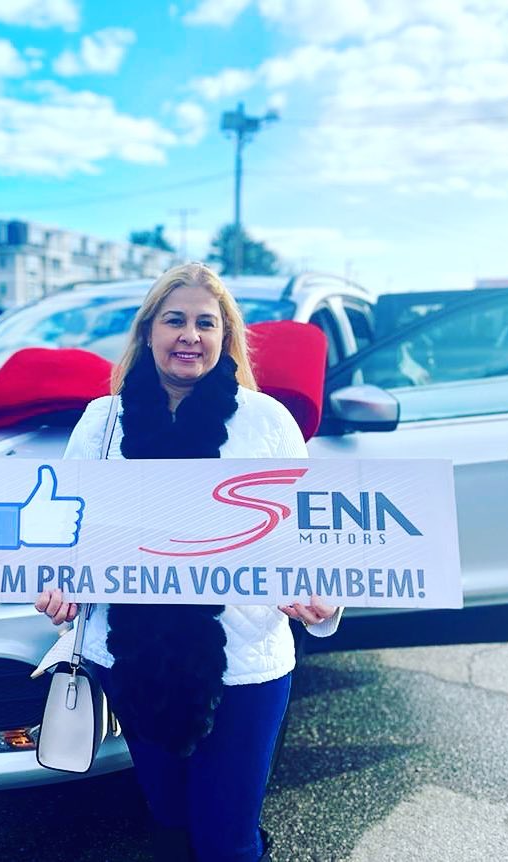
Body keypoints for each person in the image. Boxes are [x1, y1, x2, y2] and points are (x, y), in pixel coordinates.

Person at [35, 262, 342, 862]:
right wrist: (56, 583)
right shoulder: (102, 422)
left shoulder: (266, 421)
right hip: (130, 659)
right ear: (148, 331)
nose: (189, 336)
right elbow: (66, 530)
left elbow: (310, 534)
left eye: (206, 323)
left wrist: (325, 599)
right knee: (169, 817)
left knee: (226, 839)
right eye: (174, 320)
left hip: (244, 665)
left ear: (225, 336)